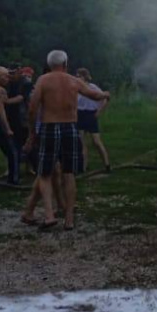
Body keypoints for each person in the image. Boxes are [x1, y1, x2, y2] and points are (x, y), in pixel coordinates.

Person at [27, 50, 110, 230]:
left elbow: (32, 108)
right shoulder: (74, 80)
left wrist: (32, 132)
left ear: (49, 65)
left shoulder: (43, 80)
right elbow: (93, 95)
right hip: (70, 127)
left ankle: (49, 215)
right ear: (66, 64)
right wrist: (105, 94)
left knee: (45, 173)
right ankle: (69, 219)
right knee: (69, 173)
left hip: (49, 126)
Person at [75, 67, 111, 172]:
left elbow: (105, 98)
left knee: (96, 141)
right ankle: (83, 167)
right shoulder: (76, 89)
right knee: (81, 143)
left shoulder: (92, 87)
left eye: (79, 76)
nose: (77, 78)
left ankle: (107, 164)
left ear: (84, 77)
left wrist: (99, 111)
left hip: (91, 114)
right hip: (80, 114)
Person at [6, 66, 33, 155]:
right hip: (10, 115)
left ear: (18, 71)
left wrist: (5, 102)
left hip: (22, 116)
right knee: (12, 143)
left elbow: (21, 97)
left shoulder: (26, 83)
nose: (10, 76)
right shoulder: (7, 83)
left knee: (25, 142)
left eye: (13, 73)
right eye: (9, 73)